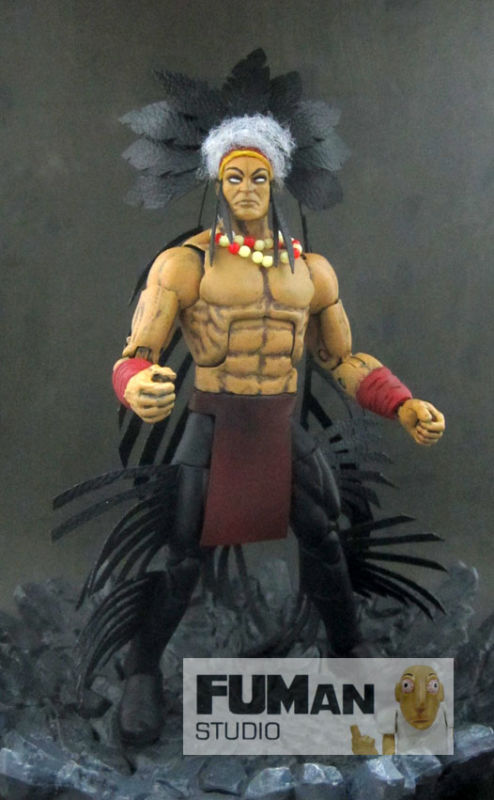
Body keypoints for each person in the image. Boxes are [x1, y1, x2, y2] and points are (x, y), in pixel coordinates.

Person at [109, 113, 445, 744]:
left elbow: (341, 359)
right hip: (215, 421)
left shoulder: (311, 272)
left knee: (323, 536)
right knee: (183, 558)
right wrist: (135, 386)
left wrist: (401, 404)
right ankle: (142, 669)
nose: (245, 188)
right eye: (233, 177)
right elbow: (138, 353)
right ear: (217, 183)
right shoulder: (183, 266)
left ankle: (349, 654)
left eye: (257, 177)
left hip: (279, 421)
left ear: (276, 182)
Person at [351, 664, 453, 755]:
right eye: (407, 686)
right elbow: (389, 756)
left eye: (433, 686)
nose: (420, 705)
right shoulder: (390, 717)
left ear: (441, 692)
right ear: (398, 692)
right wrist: (369, 754)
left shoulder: (446, 713)